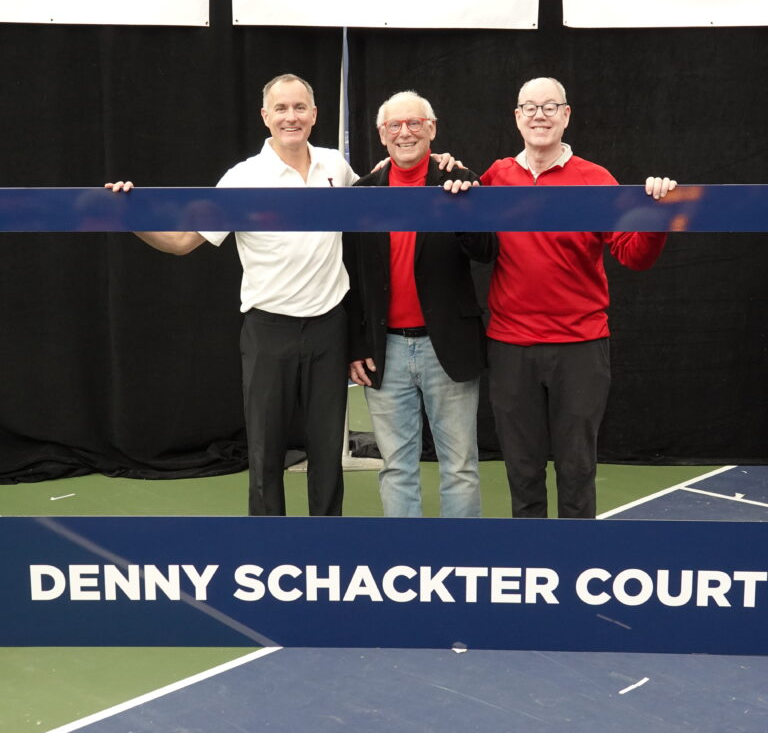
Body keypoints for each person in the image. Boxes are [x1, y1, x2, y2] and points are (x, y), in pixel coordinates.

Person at [107, 74, 459, 518]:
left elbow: (388, 180)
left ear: (314, 115)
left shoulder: (335, 166)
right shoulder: (242, 179)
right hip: (267, 331)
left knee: (328, 452)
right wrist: (125, 214)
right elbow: (180, 242)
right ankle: (267, 547)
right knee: (266, 453)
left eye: (299, 108)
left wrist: (437, 160)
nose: (290, 117)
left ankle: (324, 546)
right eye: (281, 109)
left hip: (329, 329)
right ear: (265, 117)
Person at [479, 76, 677, 519]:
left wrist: (656, 216)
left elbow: (632, 255)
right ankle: (533, 567)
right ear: (517, 118)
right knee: (523, 470)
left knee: (577, 468)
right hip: (512, 347)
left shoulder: (596, 179)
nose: (539, 116)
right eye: (529, 107)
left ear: (566, 116)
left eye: (550, 107)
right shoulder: (496, 177)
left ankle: (576, 565)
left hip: (580, 348)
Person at [344, 91, 497, 517]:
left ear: (432, 129)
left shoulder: (460, 179)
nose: (405, 132)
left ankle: (459, 561)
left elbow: (486, 249)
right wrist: (356, 344)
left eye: (415, 123)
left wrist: (464, 201)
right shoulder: (364, 191)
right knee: (396, 467)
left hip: (446, 344)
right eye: (395, 125)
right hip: (384, 350)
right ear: (382, 134)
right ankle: (405, 562)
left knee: (461, 467)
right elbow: (351, 274)